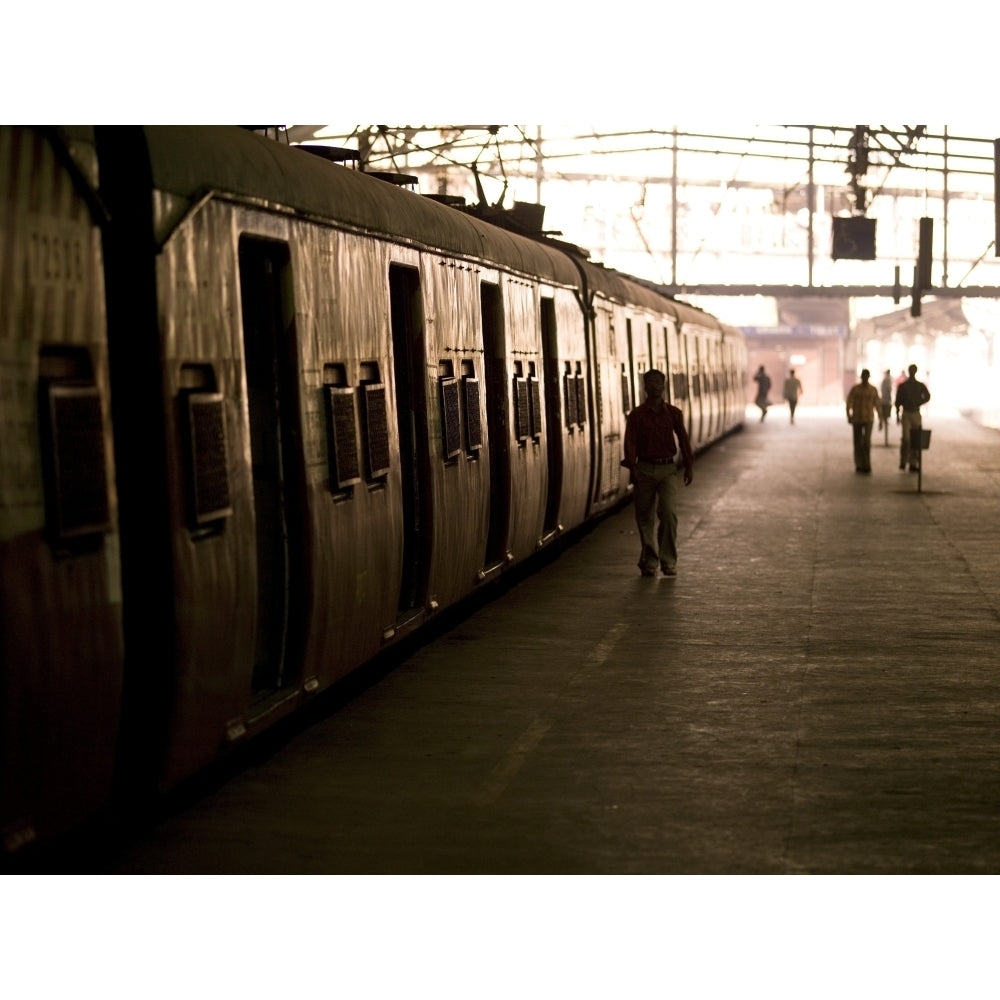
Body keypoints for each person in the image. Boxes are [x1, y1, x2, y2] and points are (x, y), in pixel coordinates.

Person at [621, 369, 694, 577]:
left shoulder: (673, 413)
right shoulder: (636, 415)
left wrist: (688, 465)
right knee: (644, 517)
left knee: (669, 514)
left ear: (663, 386)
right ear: (644, 387)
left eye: (657, 382)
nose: (653, 386)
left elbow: (683, 439)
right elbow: (630, 443)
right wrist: (632, 467)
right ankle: (650, 560)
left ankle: (668, 560)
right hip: (644, 468)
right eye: (650, 383)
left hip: (667, 469)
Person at [845, 368, 883, 473]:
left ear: (868, 377)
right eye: (864, 376)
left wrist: (881, 419)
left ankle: (866, 465)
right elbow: (849, 402)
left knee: (866, 442)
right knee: (857, 442)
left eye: (866, 376)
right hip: (857, 418)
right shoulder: (856, 389)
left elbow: (878, 405)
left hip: (868, 419)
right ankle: (859, 464)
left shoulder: (873, 390)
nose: (865, 378)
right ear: (861, 377)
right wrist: (849, 415)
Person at [894, 363, 931, 472]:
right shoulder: (903, 386)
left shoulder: (920, 385)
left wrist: (919, 402)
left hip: (915, 413)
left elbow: (928, 396)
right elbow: (897, 401)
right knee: (906, 439)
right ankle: (903, 460)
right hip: (906, 413)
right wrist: (897, 414)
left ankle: (913, 463)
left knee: (916, 439)